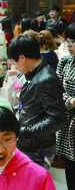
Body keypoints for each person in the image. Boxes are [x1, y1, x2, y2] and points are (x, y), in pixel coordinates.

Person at [7, 34, 67, 170]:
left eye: (13, 60)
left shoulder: (46, 79)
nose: (13, 65)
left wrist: (24, 133)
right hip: (31, 144)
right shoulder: (34, 73)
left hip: (38, 149)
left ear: (22, 57)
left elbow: (57, 119)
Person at [56, 23, 75, 190]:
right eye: (67, 41)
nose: (69, 45)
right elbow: (55, 93)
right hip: (69, 125)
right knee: (70, 169)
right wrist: (72, 101)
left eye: (73, 42)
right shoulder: (65, 62)